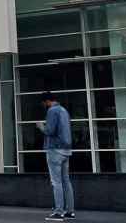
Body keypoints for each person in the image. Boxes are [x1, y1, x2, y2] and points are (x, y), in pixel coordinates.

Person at [38, 92, 74, 222]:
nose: (44, 106)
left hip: (55, 149)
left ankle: (59, 211)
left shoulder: (52, 111)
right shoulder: (64, 110)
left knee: (56, 182)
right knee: (66, 181)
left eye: (43, 103)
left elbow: (50, 131)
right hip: (66, 149)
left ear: (47, 101)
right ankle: (70, 211)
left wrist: (41, 126)